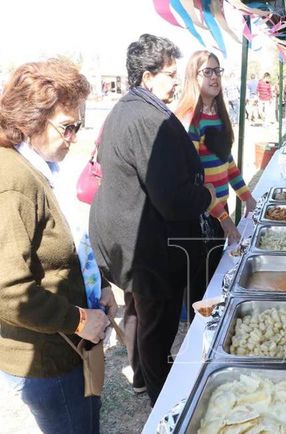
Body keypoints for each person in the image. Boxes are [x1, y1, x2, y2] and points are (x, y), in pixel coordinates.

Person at [89, 34, 216, 406]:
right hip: (143, 244)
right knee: (156, 325)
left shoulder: (131, 107)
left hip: (131, 236)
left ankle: (146, 378)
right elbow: (171, 198)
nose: (177, 80)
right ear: (147, 76)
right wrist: (206, 196)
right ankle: (162, 400)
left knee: (146, 315)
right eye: (170, 73)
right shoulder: (145, 118)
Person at [0, 59, 116, 433]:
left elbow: (66, 245)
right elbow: (8, 290)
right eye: (68, 127)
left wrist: (101, 286)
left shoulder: (36, 167)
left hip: (67, 345)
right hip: (48, 358)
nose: (74, 137)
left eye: (78, 127)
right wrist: (80, 319)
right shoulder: (13, 181)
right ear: (32, 119)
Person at [175, 50, 256, 310]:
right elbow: (196, 181)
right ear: (193, 76)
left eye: (217, 71)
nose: (214, 77)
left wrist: (247, 196)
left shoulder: (219, 115)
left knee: (214, 273)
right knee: (203, 284)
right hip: (203, 215)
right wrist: (224, 219)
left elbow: (227, 162)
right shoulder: (190, 119)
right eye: (206, 72)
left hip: (221, 209)